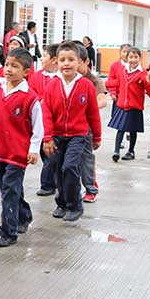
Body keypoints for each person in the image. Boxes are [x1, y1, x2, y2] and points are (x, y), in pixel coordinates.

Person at [0, 49, 43, 247]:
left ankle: (8, 232)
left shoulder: (30, 98)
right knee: (9, 189)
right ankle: (23, 215)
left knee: (8, 191)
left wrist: (33, 149)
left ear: (26, 71)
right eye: (7, 64)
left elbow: (38, 127)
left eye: (15, 66)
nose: (8, 69)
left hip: (18, 153)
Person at [42, 42, 102, 222]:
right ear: (56, 62)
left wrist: (97, 136)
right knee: (57, 170)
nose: (66, 64)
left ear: (79, 62)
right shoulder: (52, 85)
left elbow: (93, 113)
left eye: (71, 60)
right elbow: (46, 113)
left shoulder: (86, 85)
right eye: (62, 60)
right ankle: (61, 203)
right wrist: (47, 137)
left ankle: (75, 205)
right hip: (57, 136)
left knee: (70, 168)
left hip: (78, 136)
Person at [74, 42, 107, 203]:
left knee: (86, 159)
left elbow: (102, 101)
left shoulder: (93, 81)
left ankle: (90, 188)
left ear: (86, 62)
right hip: (67, 127)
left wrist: (87, 106)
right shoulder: (66, 78)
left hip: (86, 128)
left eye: (75, 61)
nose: (70, 64)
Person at [28, 43, 58, 197]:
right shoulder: (37, 76)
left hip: (57, 124)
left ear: (54, 60)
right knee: (46, 154)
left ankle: (48, 184)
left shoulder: (61, 77)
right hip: (40, 123)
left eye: (45, 55)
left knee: (52, 156)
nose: (41, 58)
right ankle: (51, 182)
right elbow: (31, 94)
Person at [107, 47, 146, 161]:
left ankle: (131, 151)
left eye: (135, 57)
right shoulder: (122, 70)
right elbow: (117, 82)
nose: (133, 60)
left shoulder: (143, 73)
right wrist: (106, 84)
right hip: (122, 105)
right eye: (131, 57)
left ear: (140, 58)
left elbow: (149, 88)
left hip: (135, 106)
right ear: (126, 58)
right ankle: (116, 151)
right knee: (120, 129)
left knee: (132, 130)